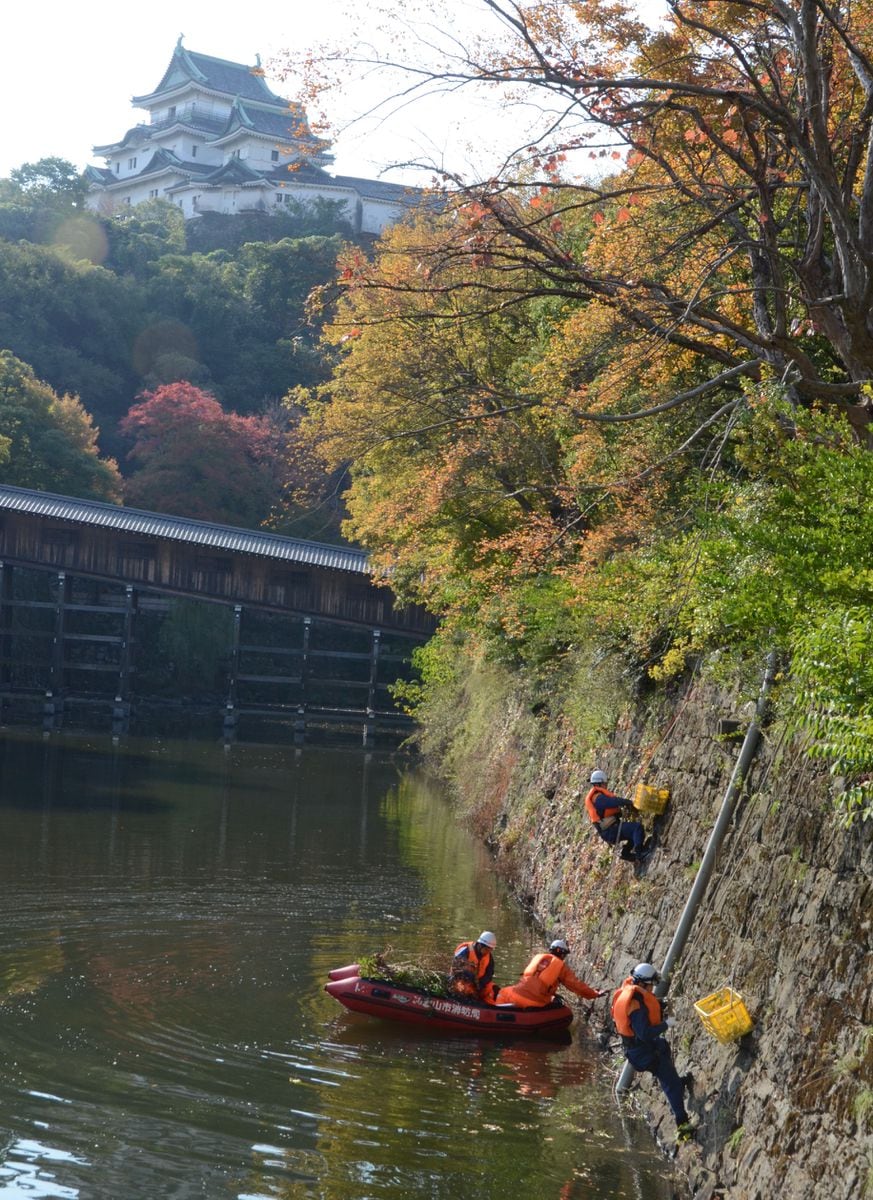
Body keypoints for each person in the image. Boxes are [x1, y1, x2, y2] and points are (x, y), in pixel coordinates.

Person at [612, 962, 695, 1142]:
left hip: (640, 1049)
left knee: (663, 1046)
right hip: (643, 1053)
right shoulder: (635, 1005)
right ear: (642, 984)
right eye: (651, 985)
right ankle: (683, 1124)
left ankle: (676, 1082)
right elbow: (645, 1033)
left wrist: (659, 1006)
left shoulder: (632, 994)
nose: (652, 988)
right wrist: (667, 1024)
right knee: (670, 1082)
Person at [495, 939, 607, 1008]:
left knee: (502, 992)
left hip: (516, 994)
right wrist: (594, 993)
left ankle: (499, 1011)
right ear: (562, 955)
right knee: (555, 1002)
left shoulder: (538, 958)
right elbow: (575, 985)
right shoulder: (560, 967)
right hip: (535, 1002)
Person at [584, 769, 650, 862]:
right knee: (636, 828)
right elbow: (612, 802)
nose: (606, 786)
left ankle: (625, 853)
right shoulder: (598, 798)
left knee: (631, 833)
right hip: (611, 830)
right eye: (605, 784)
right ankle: (640, 853)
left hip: (609, 831)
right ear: (599, 784)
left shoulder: (596, 796)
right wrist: (627, 802)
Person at [449, 931, 497, 1004]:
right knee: (464, 989)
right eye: (486, 949)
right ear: (480, 945)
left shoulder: (489, 957)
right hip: (462, 982)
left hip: (478, 984)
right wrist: (469, 977)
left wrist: (481, 984)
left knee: (494, 989)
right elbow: (456, 967)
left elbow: (489, 975)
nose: (487, 952)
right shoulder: (465, 950)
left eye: (490, 950)